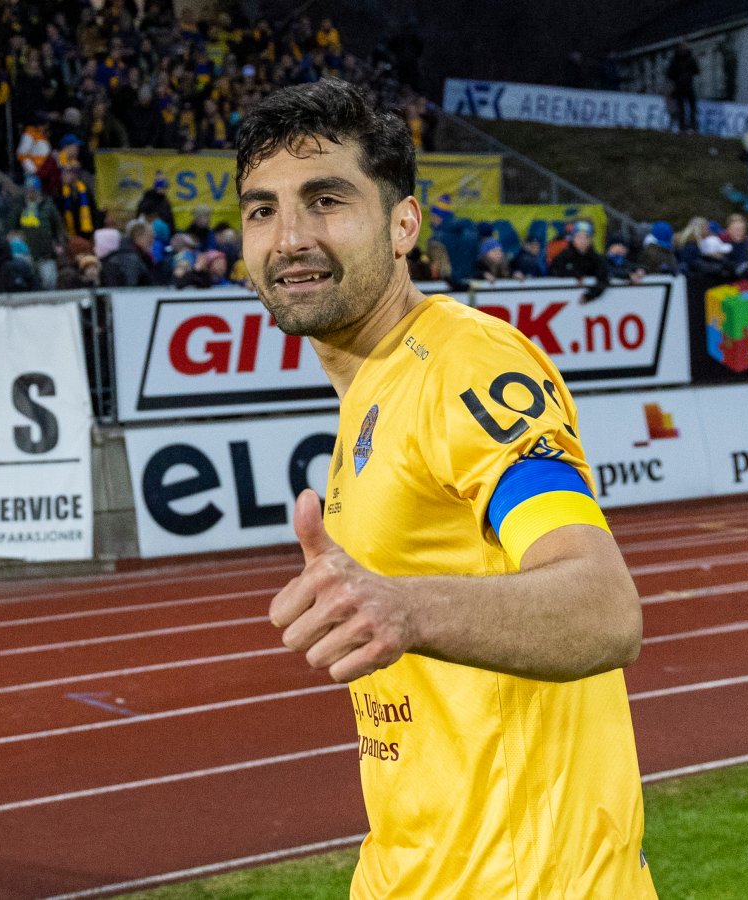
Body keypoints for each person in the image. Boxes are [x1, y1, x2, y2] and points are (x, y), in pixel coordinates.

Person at [232, 78, 652, 899]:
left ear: (403, 224)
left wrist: (408, 609)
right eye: (262, 210)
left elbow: (606, 606)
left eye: (326, 200)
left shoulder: (466, 364)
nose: (289, 237)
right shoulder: (373, 392)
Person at [667, 41, 699, 133]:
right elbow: (670, 74)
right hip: (682, 88)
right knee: (683, 109)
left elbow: (696, 70)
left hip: (686, 87)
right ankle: (685, 127)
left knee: (690, 108)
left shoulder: (681, 59)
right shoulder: (677, 60)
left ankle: (690, 126)